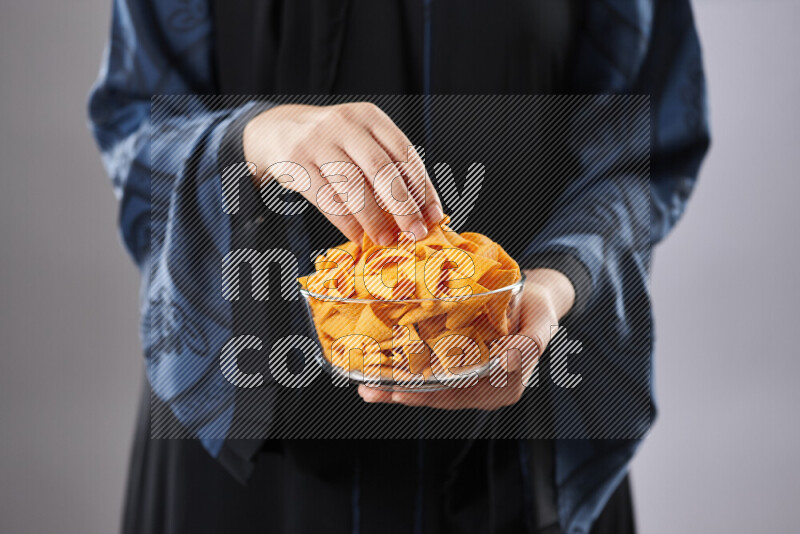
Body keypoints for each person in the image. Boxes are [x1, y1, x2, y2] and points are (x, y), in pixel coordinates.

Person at [88, 1, 709, 533]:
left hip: (516, 431)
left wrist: (550, 283)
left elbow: (645, 144)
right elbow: (134, 126)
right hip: (243, 450)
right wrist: (254, 138)